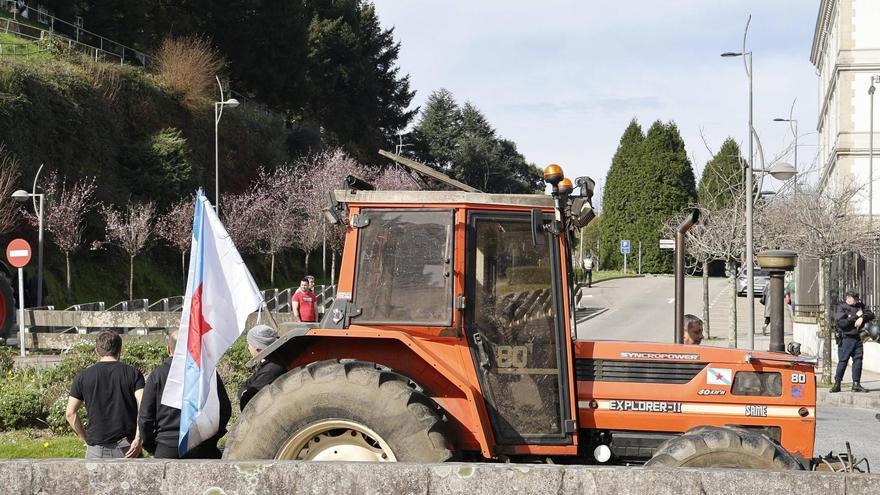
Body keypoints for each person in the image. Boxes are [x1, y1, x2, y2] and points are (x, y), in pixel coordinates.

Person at [138, 329, 231, 459]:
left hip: (167, 446)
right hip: (202, 444)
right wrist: (213, 436)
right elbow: (224, 409)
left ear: (169, 349)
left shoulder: (157, 375)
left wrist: (152, 445)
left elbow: (145, 418)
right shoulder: (207, 373)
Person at [65, 331, 145, 458]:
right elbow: (144, 407)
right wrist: (138, 439)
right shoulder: (134, 373)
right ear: (120, 350)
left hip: (96, 449)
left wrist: (85, 438)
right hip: (128, 448)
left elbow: (70, 413)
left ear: (97, 351)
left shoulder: (83, 377)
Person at [832, 289, 874, 393]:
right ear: (849, 298)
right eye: (855, 299)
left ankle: (856, 384)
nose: (857, 301)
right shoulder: (841, 306)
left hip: (857, 338)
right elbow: (842, 323)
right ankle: (837, 383)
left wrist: (862, 318)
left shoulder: (859, 305)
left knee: (858, 360)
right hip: (846, 338)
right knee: (843, 361)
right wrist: (855, 317)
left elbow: (871, 314)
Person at [238, 324, 287, 411]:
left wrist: (243, 393)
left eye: (249, 345)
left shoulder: (272, 369)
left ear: (257, 349)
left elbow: (247, 400)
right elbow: (246, 384)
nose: (248, 348)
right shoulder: (273, 360)